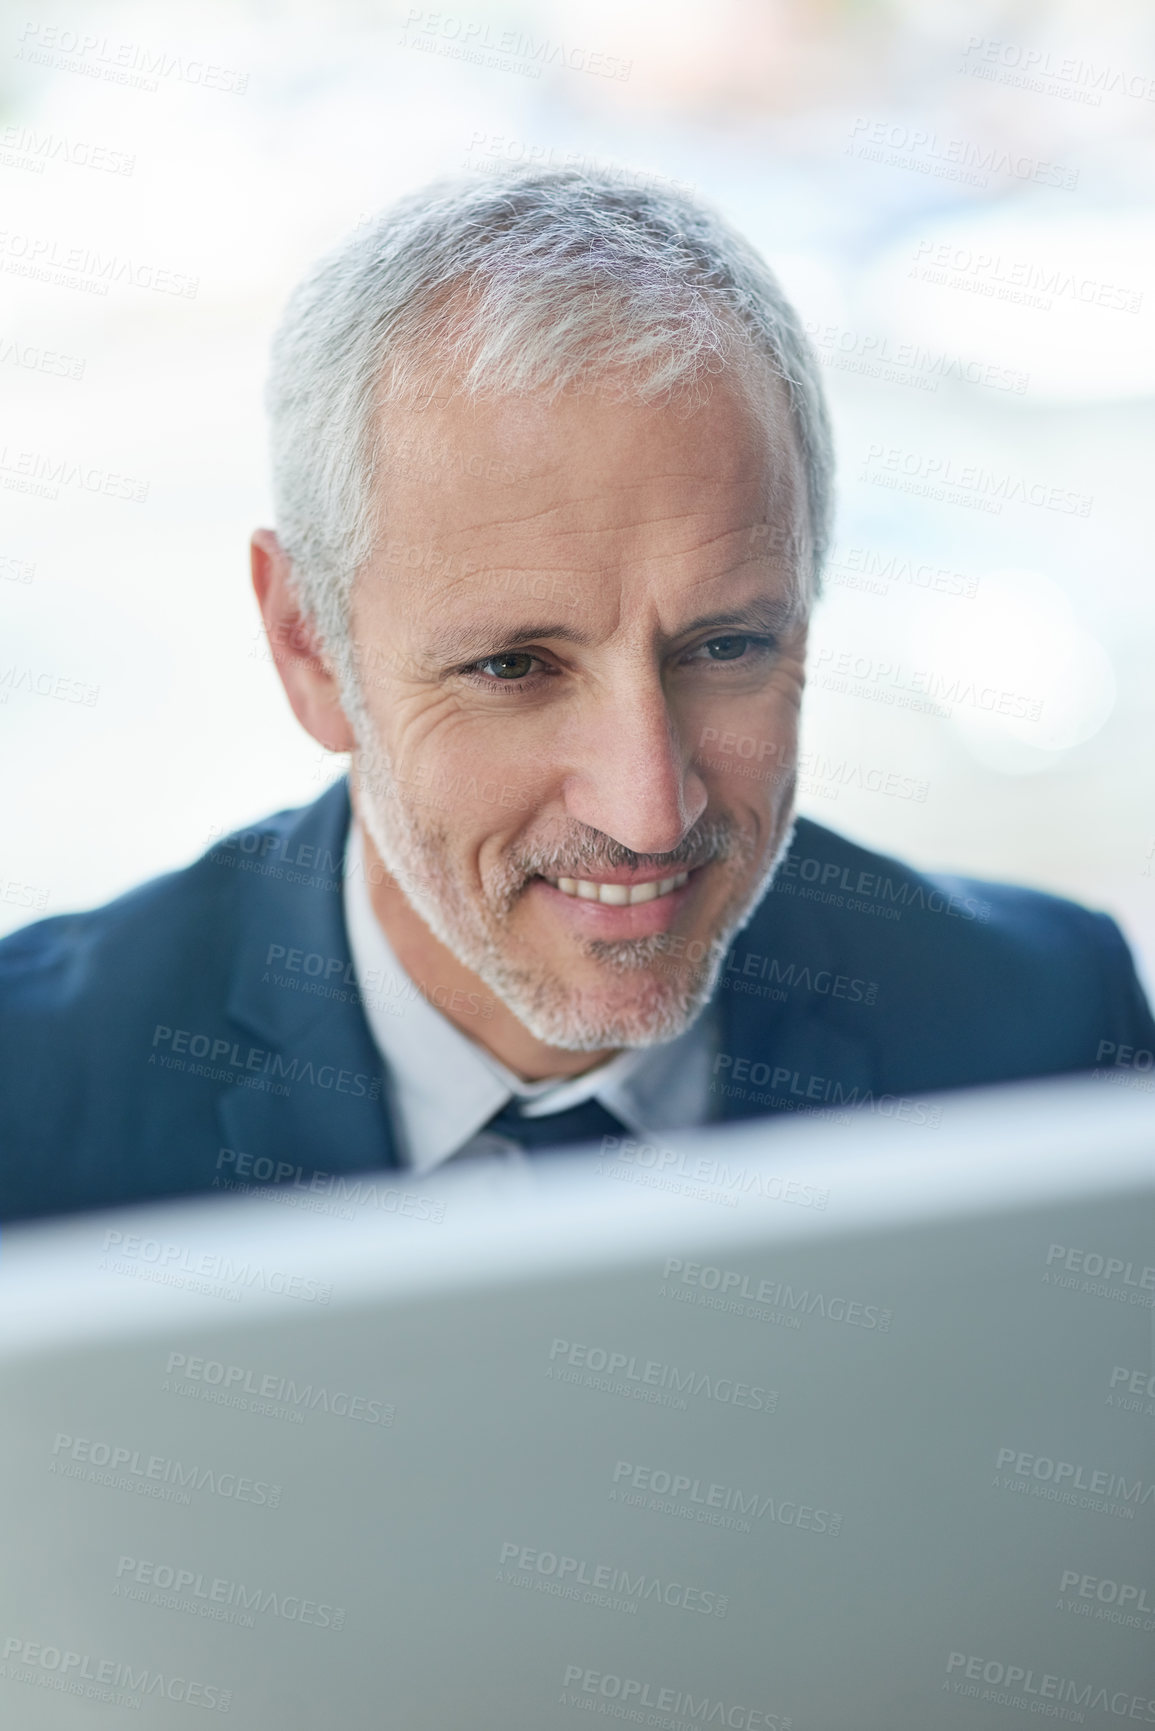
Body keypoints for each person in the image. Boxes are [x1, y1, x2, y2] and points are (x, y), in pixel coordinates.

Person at [2, 169, 1151, 1221]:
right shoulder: (34, 1101)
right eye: (515, 667)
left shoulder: (1044, 1032)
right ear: (309, 646)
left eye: (725, 646)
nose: (650, 813)